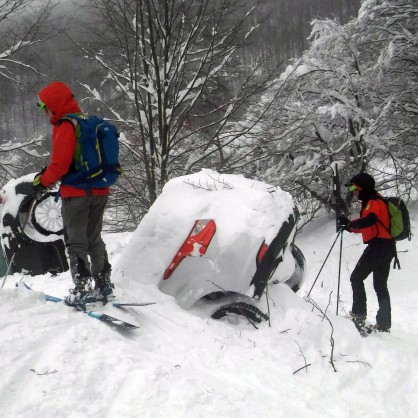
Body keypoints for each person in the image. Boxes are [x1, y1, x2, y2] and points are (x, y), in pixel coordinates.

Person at [33, 81, 115, 305]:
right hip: (100, 191)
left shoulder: (66, 125)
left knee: (75, 242)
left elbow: (60, 164)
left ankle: (81, 288)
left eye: (46, 107)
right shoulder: (88, 122)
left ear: (55, 104)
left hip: (76, 194)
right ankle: (103, 284)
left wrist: (42, 181)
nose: (46, 112)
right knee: (94, 238)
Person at [338, 172, 395, 333]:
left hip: (379, 247)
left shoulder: (374, 202)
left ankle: (358, 316)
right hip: (386, 247)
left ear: (363, 188)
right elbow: (369, 225)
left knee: (356, 278)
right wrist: (350, 227)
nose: (354, 192)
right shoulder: (375, 200)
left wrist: (350, 224)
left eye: (355, 188)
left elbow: (369, 220)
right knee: (380, 285)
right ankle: (384, 324)